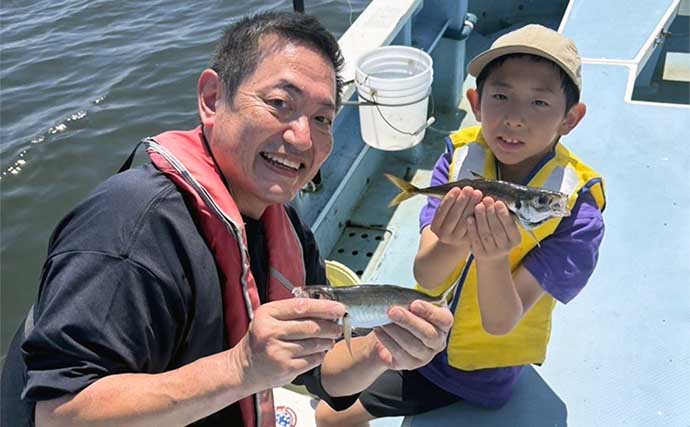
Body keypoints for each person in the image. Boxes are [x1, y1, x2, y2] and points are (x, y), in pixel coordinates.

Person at [0, 12, 454, 427]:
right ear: (213, 99)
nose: (302, 137)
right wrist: (241, 369)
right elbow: (61, 414)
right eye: (280, 103)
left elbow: (324, 373)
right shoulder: (129, 229)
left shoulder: (286, 228)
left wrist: (384, 350)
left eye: (322, 118)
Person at [315, 24, 606, 427]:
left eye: (539, 103)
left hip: (471, 372)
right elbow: (427, 274)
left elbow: (501, 322)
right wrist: (451, 242)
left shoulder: (577, 214)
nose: (515, 119)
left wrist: (492, 258)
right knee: (329, 371)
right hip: (423, 326)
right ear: (476, 102)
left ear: (570, 118)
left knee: (330, 417)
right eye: (501, 96)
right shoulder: (458, 158)